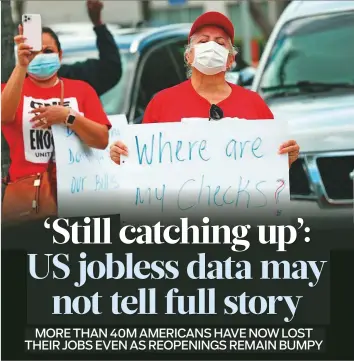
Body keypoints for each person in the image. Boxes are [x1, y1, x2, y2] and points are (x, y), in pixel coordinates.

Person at [109, 11, 300, 168]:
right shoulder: (161, 104)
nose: (211, 47)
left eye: (220, 43)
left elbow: (272, 164)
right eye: (203, 41)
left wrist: (287, 158)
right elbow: (142, 161)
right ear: (189, 56)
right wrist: (123, 156)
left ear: (230, 60)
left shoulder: (254, 104)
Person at [1, 25, 111, 223]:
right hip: (27, 201)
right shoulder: (11, 90)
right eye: (33, 52)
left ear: (60, 56)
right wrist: (21, 66)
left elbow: (101, 140)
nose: (41, 56)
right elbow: (3, 115)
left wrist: (68, 117)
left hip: (78, 193)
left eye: (48, 51)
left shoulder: (82, 90)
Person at [58, 0, 122, 96]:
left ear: (59, 55)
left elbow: (109, 70)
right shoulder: (28, 82)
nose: (43, 57)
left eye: (48, 51)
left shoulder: (69, 79)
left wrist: (98, 25)